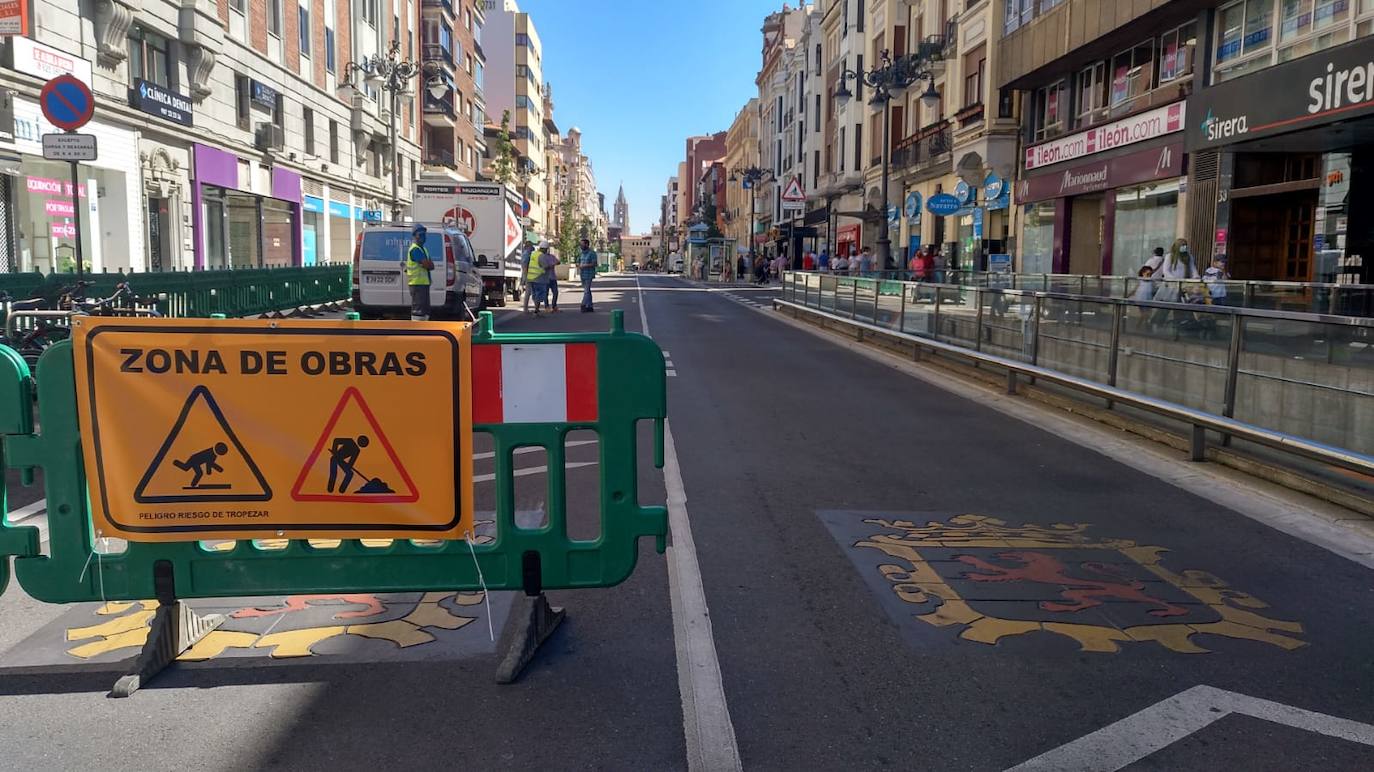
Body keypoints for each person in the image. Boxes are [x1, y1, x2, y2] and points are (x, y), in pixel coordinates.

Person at [405, 225, 436, 321]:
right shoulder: (415, 250)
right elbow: (428, 265)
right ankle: (416, 331)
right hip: (417, 284)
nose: (423, 237)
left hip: (423, 284)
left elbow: (431, 265)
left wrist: (427, 264)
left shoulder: (423, 249)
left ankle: (423, 330)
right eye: (420, 235)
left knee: (425, 311)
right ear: (414, 236)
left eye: (424, 234)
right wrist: (427, 264)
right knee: (418, 312)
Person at [523, 241, 547, 314]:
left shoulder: (532, 254)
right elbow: (525, 265)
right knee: (533, 293)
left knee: (532, 293)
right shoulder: (528, 254)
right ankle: (532, 309)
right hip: (534, 276)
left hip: (530, 276)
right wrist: (526, 276)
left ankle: (533, 309)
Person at [578, 238, 598, 312]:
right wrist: (579, 265)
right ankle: (590, 306)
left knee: (586, 290)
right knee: (587, 290)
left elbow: (594, 263)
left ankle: (583, 304)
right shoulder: (581, 253)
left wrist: (585, 265)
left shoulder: (592, 253)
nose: (581, 246)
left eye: (582, 244)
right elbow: (578, 261)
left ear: (587, 244)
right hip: (582, 274)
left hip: (589, 274)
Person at [539, 244, 560, 310]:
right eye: (547, 249)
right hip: (546, 277)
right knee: (546, 293)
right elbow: (544, 266)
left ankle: (554, 306)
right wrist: (550, 265)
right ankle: (546, 306)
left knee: (555, 292)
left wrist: (554, 263)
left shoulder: (552, 256)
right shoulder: (542, 257)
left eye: (549, 249)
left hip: (553, 277)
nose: (548, 250)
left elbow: (558, 262)